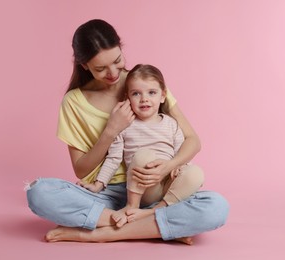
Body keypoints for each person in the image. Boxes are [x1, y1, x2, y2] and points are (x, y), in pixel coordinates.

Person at [26, 19, 229, 245]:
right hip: (108, 194)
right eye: (100, 69)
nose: (113, 73)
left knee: (216, 207)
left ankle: (106, 232)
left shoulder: (145, 83)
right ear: (84, 66)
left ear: (121, 48)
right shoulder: (74, 102)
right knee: (39, 192)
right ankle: (157, 225)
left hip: (159, 187)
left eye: (117, 60)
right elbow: (81, 169)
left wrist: (168, 167)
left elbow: (192, 141)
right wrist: (111, 131)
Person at [80, 64, 204, 228]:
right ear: (128, 98)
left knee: (196, 173)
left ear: (162, 96)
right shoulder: (124, 125)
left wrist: (180, 167)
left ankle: (154, 211)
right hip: (143, 189)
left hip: (167, 184)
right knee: (143, 156)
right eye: (136, 93)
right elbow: (113, 158)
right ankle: (132, 206)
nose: (144, 99)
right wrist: (99, 184)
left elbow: (180, 152)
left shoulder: (172, 124)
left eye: (151, 93)